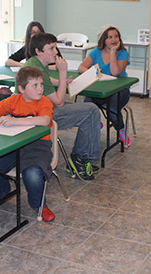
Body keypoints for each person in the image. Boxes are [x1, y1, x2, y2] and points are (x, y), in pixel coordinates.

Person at [0, 66, 56, 221]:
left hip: (38, 146)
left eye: (41, 84)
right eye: (35, 85)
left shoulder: (43, 102)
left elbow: (45, 120)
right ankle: (0, 192)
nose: (40, 88)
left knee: (32, 174)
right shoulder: (14, 100)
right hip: (13, 144)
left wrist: (15, 120)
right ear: (21, 89)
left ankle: (38, 205)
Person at [24, 32, 101, 181]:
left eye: (55, 47)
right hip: (39, 118)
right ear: (38, 51)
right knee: (90, 111)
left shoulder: (35, 63)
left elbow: (47, 81)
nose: (55, 52)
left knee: (84, 110)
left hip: (36, 111)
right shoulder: (37, 69)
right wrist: (63, 72)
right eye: (51, 48)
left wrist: (61, 82)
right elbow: (58, 102)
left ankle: (81, 157)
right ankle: (79, 160)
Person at [78, 24, 131, 147]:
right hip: (101, 89)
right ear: (103, 39)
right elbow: (81, 67)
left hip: (119, 90)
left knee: (112, 111)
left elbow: (115, 72)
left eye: (116, 36)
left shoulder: (122, 53)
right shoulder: (96, 51)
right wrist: (95, 73)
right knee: (87, 106)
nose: (113, 39)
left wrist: (113, 52)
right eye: (110, 37)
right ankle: (97, 124)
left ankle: (121, 131)